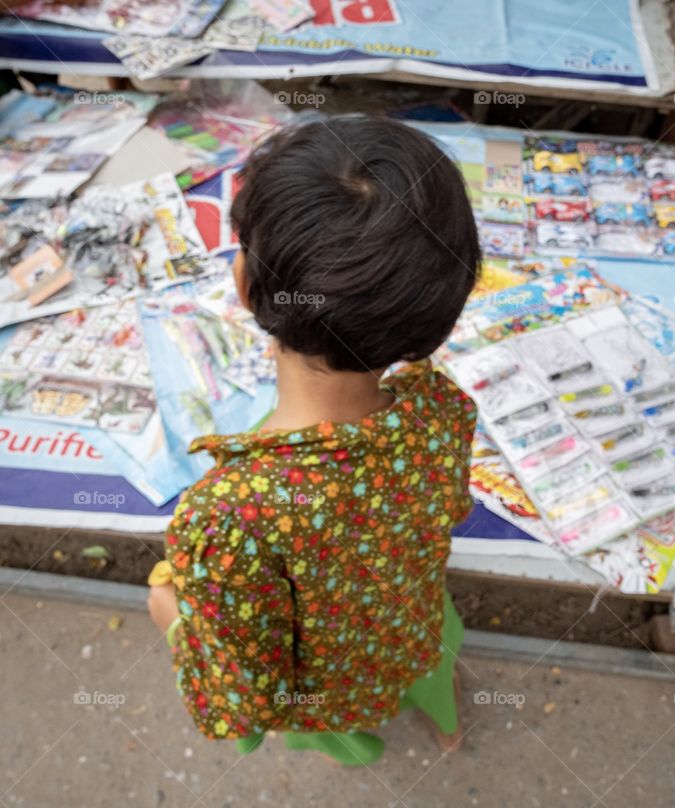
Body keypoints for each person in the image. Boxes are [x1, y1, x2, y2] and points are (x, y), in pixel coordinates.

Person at [147, 116, 480, 766]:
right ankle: (450, 732)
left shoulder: (231, 514)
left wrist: (170, 611)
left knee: (346, 726)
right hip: (418, 628)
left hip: (334, 687)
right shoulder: (442, 407)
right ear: (436, 320)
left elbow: (245, 692)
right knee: (437, 679)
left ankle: (408, 740)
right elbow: (449, 507)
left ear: (243, 286)